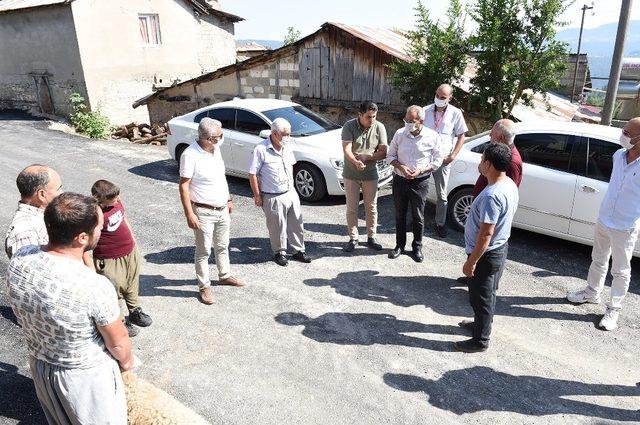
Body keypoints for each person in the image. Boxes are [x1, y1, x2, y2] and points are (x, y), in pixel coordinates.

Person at [6, 192, 132, 425]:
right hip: (83, 381)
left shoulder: (21, 258)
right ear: (82, 238)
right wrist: (126, 364)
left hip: (42, 367)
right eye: (99, 228)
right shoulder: (92, 284)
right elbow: (118, 343)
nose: (101, 231)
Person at [566, 117, 640, 331]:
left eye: (627, 133)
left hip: (625, 226)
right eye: (623, 130)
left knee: (621, 270)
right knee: (598, 259)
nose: (623, 135)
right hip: (605, 218)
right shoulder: (618, 156)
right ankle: (591, 292)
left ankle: (614, 308)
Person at [456, 143, 519, 353]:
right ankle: (479, 326)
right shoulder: (508, 183)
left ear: (489, 164)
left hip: (487, 254)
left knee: (481, 297)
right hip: (499, 248)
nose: (480, 163)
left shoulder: (492, 195)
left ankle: (480, 340)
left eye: (483, 159)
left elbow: (485, 234)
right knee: (487, 293)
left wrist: (471, 262)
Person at [179, 117, 243, 306]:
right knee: (203, 251)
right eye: (219, 136)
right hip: (203, 211)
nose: (221, 138)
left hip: (222, 208)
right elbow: (184, 187)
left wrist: (229, 198)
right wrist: (189, 213)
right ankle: (204, 286)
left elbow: (220, 177)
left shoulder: (216, 150)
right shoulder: (190, 155)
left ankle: (224, 275)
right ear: (208, 138)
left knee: (223, 245)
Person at [91, 179, 152, 337]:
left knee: (131, 283)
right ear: (100, 199)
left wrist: (132, 237)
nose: (118, 200)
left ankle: (135, 311)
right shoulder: (93, 213)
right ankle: (119, 323)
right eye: (114, 199)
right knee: (113, 291)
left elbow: (124, 217)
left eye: (118, 197)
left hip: (129, 251)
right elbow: (89, 241)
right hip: (109, 258)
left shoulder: (116, 202)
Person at [249, 117, 311, 266]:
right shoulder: (261, 149)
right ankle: (279, 252)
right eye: (285, 134)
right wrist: (257, 195)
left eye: (289, 134)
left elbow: (292, 167)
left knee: (297, 223)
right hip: (272, 195)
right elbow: (252, 174)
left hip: (290, 192)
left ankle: (298, 251)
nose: (288, 137)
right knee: (277, 227)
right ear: (275, 133)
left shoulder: (287, 146)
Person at [387, 105, 445, 262]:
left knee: (418, 216)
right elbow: (390, 156)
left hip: (420, 181)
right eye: (406, 120)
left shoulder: (432, 136)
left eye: (411, 121)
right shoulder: (400, 134)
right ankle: (399, 245)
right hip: (399, 180)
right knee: (400, 214)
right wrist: (400, 166)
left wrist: (422, 170)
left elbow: (438, 160)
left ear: (421, 121)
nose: (407, 123)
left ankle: (417, 247)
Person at [341, 101, 388, 252]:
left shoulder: (379, 127)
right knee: (352, 207)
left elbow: (383, 152)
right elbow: (346, 149)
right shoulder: (349, 126)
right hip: (351, 173)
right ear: (360, 114)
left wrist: (367, 157)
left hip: (370, 173)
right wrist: (355, 161)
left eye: (374, 116)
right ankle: (353, 238)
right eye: (368, 117)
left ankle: (371, 237)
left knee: (371, 207)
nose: (372, 120)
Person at [423, 84, 469, 237]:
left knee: (441, 195)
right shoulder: (425, 111)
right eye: (437, 95)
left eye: (442, 97)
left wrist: (453, 155)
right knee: (418, 191)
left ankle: (440, 223)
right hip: (424, 159)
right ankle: (417, 220)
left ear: (450, 98)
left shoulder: (455, 113)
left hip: (443, 160)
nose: (438, 99)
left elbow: (461, 135)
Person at [5, 164, 62, 258]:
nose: (62, 193)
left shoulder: (45, 217)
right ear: (42, 195)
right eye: (59, 188)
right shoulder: (26, 232)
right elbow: (29, 270)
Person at [472, 119, 523, 197]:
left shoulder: (512, 161)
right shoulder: (497, 152)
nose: (490, 135)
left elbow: (507, 193)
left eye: (492, 132)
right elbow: (481, 169)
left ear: (501, 138)